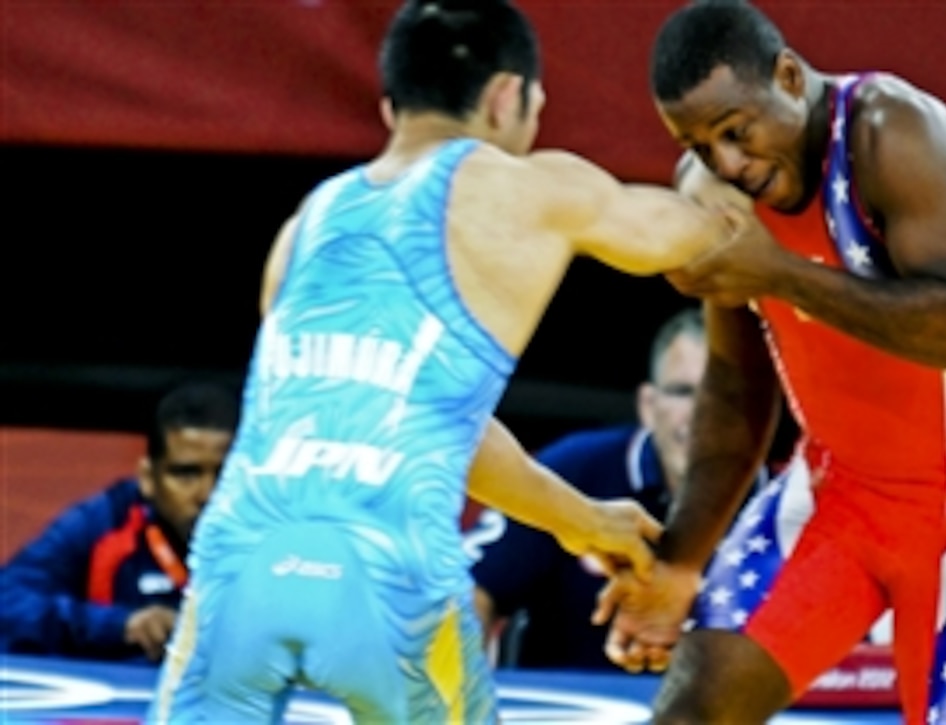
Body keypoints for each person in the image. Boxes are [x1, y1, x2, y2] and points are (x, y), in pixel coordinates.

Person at [144, 0, 741, 722]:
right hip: (389, 579)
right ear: (505, 97)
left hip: (237, 569)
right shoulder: (528, 186)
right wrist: (720, 170)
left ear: (392, 103)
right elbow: (709, 236)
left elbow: (427, 418)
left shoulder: (307, 223)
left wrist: (581, 518)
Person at [595, 2, 946, 724]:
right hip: (838, 489)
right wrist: (680, 560)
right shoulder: (713, 191)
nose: (728, 164)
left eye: (736, 132)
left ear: (787, 76)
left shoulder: (894, 132)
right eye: (700, 145)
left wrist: (778, 272)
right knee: (694, 706)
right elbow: (737, 381)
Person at [472, 307, 762, 670]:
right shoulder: (570, 469)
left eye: (722, 395)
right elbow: (470, 591)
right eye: (683, 391)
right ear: (648, 404)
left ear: (759, 408)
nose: (702, 412)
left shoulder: (786, 502)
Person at [0, 382, 238, 665]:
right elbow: (8, 599)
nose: (207, 495)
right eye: (185, 474)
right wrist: (122, 625)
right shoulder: (106, 521)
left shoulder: (280, 534)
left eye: (226, 475)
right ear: (148, 478)